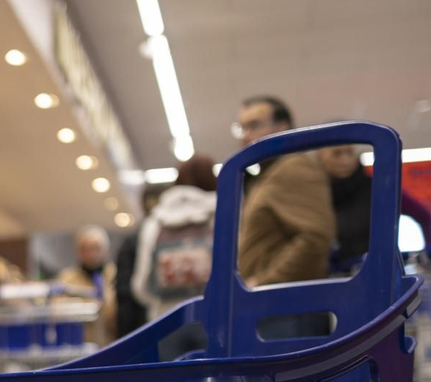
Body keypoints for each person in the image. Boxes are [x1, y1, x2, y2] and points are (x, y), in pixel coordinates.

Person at [232, 96, 337, 289]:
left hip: (287, 305)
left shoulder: (294, 168)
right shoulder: (267, 174)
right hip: (275, 303)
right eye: (242, 128)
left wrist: (264, 283)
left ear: (283, 126)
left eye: (254, 125)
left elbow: (315, 238)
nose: (246, 136)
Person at [319, 144, 431, 270]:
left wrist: (429, 250)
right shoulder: (317, 194)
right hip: (337, 274)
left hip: (379, 271)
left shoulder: (380, 187)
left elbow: (423, 215)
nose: (345, 160)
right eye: (337, 154)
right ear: (321, 157)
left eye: (350, 153)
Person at [131, 155, 218, 319]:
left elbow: (141, 285)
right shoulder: (221, 216)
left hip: (166, 318)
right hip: (214, 314)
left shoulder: (155, 222)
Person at [57, 225, 119, 343]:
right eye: (85, 249)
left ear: (106, 250)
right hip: (79, 347)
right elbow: (57, 310)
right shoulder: (67, 279)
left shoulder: (116, 275)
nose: (90, 254)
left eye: (96, 248)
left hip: (111, 344)